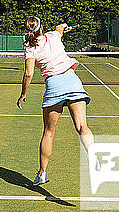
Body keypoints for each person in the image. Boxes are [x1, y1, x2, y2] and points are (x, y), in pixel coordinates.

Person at [17, 16, 94, 186]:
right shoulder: (53, 35)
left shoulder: (30, 48)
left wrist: (23, 94)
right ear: (42, 28)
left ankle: (42, 173)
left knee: (49, 132)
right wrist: (64, 27)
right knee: (82, 126)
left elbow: (29, 73)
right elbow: (59, 28)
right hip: (72, 81)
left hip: (54, 85)